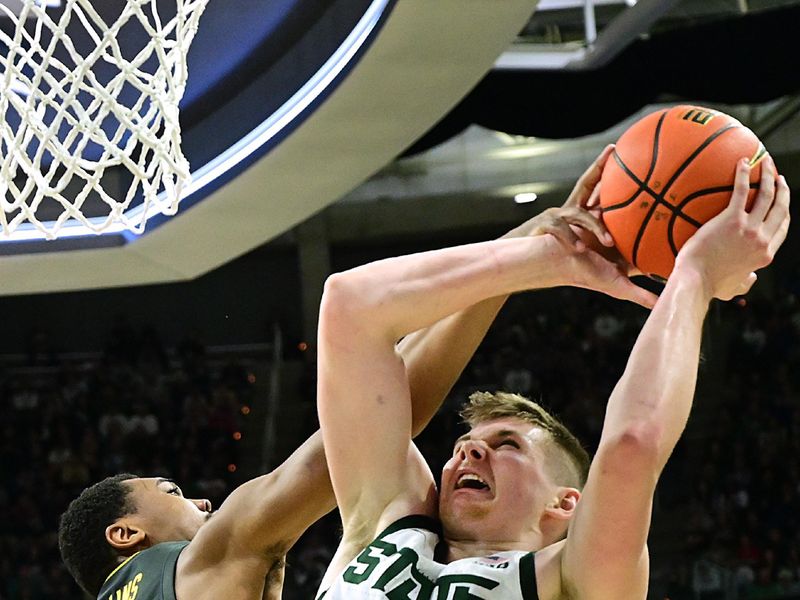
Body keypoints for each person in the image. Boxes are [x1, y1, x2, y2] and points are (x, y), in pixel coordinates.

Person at [56, 148, 642, 600]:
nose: (205, 504)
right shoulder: (200, 562)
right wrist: (530, 256)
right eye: (174, 493)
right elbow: (389, 405)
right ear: (126, 535)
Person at [315, 153, 790, 599]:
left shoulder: (569, 581)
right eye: (466, 444)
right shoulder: (384, 521)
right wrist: (542, 257)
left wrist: (696, 276)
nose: (468, 449)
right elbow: (349, 306)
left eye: (508, 445)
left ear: (565, 505)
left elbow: (632, 445)